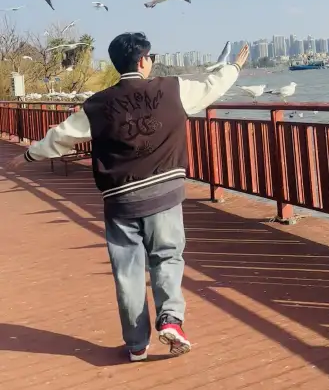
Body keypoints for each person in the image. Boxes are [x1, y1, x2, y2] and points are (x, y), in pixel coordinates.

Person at [21, 32, 249, 361]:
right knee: (167, 258)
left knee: (127, 271)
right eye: (151, 56)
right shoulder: (172, 89)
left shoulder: (97, 105)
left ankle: (136, 344)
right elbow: (211, 86)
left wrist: (29, 155)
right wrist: (233, 69)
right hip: (164, 194)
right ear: (143, 60)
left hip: (120, 199)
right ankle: (171, 320)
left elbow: (62, 136)